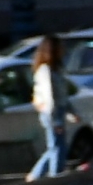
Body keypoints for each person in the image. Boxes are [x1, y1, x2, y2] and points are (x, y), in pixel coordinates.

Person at [30, 33, 76, 176]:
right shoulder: (45, 70)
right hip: (51, 112)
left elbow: (63, 95)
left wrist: (71, 112)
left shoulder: (58, 69)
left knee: (57, 147)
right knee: (57, 148)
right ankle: (53, 176)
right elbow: (49, 96)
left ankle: (35, 175)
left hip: (59, 111)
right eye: (60, 47)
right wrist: (55, 120)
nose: (63, 50)